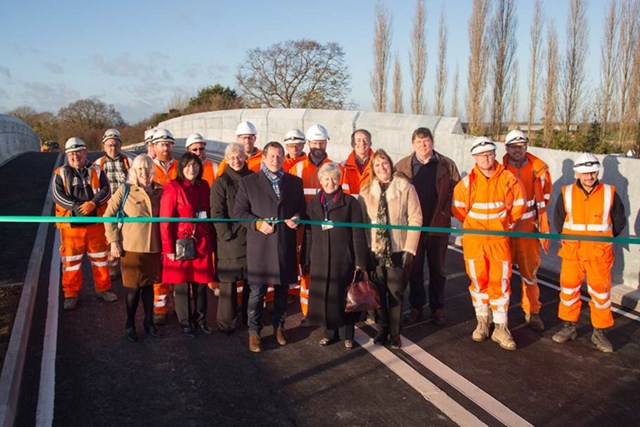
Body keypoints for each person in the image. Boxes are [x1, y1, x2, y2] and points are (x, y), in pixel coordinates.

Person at [452, 137, 526, 351]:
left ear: (495, 155)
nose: (486, 158)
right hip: (475, 241)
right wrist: (473, 227)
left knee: (500, 281)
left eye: (489, 154)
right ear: (474, 157)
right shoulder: (466, 184)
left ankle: (501, 327)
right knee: (478, 280)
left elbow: (518, 205)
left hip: (498, 240)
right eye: (481, 154)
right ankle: (483, 321)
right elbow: (458, 210)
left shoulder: (508, 179)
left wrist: (505, 224)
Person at [234, 141, 305, 353]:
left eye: (279, 156)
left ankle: (279, 326)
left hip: (284, 244)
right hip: (261, 246)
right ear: (264, 158)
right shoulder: (249, 182)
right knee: (258, 292)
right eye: (271, 156)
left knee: (282, 290)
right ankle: (254, 332)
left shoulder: (294, 182)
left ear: (284, 158)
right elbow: (239, 212)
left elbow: (302, 208)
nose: (275, 160)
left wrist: (298, 218)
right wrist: (257, 223)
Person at [551, 153, 626, 353]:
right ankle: (569, 327)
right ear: (577, 173)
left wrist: (603, 242)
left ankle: (599, 332)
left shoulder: (609, 193)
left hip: (598, 254)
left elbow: (619, 222)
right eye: (585, 173)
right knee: (568, 290)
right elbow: (559, 221)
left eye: (592, 172)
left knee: (601, 294)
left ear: (597, 172)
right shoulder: (566, 193)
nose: (589, 176)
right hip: (572, 253)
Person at [395, 127, 460, 326]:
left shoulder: (447, 165)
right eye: (419, 142)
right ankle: (416, 307)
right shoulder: (403, 166)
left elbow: (458, 192)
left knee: (438, 270)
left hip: (438, 226)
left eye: (427, 141)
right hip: (413, 228)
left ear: (432, 142)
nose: (424, 145)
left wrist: (446, 212)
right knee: (414, 270)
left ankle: (437, 307)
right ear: (413, 144)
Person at [288, 124, 353, 323]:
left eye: (321, 142)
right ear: (308, 143)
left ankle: (330, 310)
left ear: (326, 143)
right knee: (306, 268)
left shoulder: (337, 168)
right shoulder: (296, 169)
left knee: (330, 270)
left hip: (331, 230)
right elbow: (289, 200)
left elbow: (346, 197)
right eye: (314, 142)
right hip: (305, 229)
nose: (318, 146)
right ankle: (309, 312)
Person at [359, 149, 422, 349]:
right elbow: (361, 222)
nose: (382, 167)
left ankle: (395, 333)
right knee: (377, 292)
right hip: (375, 250)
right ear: (373, 169)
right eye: (377, 165)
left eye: (384, 163)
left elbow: (416, 218)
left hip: (397, 249)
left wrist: (409, 249)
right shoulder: (366, 191)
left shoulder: (405, 188)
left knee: (395, 292)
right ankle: (382, 328)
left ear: (391, 164)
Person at [302, 162, 368, 349]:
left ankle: (348, 334)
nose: (330, 182)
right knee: (326, 297)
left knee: (346, 296)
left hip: (343, 258)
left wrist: (360, 261)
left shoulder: (350, 203)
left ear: (340, 180)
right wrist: (305, 258)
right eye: (326, 178)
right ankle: (329, 333)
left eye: (334, 178)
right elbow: (308, 232)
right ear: (320, 181)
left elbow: (358, 233)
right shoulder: (314, 203)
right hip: (320, 258)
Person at [52, 137, 117, 310]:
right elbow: (57, 195)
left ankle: (103, 289)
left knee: (100, 260)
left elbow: (106, 190)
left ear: (85, 152)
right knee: (71, 262)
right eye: (71, 153)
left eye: (78, 152)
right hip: (71, 227)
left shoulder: (97, 169)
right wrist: (76, 206)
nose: (75, 156)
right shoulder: (60, 173)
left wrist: (92, 204)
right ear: (67, 155)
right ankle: (71, 294)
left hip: (95, 223)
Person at [104, 154, 163, 342]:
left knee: (149, 287)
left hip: (153, 247)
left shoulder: (160, 191)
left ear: (152, 171)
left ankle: (149, 322)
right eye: (140, 169)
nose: (144, 173)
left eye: (147, 169)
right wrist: (113, 241)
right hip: (131, 247)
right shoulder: (125, 191)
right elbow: (108, 215)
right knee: (134, 289)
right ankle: (129, 324)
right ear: (134, 172)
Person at [160, 152, 215, 337]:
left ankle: (201, 320)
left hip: (201, 243)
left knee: (201, 286)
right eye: (188, 165)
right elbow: (165, 221)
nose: (192, 169)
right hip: (180, 244)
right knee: (182, 286)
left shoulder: (204, 186)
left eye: (196, 165)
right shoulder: (173, 187)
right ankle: (185, 323)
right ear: (181, 168)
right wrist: (167, 249)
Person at [502, 129, 552, 331]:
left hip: (527, 229)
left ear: (526, 147)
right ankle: (499, 315)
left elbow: (545, 197)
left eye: (521, 146)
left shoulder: (537, 170)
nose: (517, 150)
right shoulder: (500, 169)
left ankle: (533, 312)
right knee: (501, 274)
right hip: (505, 229)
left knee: (529, 274)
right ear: (507, 148)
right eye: (513, 147)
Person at [210, 143, 253, 334]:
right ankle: (226, 322)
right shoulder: (221, 182)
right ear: (226, 159)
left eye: (239, 156)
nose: (236, 160)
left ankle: (249, 317)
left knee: (251, 281)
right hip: (231, 239)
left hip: (251, 235)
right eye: (232, 157)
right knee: (229, 282)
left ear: (245, 157)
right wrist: (225, 234)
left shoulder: (253, 178)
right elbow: (217, 212)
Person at [150, 128, 178, 324]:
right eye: (161, 144)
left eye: (168, 144)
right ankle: (160, 307)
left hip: (177, 224)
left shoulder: (180, 165)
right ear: (154, 146)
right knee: (159, 268)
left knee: (177, 263)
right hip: (155, 224)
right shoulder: (147, 167)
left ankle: (178, 305)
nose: (165, 147)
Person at [96, 128, 131, 279]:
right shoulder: (98, 164)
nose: (113, 147)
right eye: (109, 145)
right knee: (109, 237)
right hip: (107, 205)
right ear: (104, 146)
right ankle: (112, 267)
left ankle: (126, 267)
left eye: (115, 144)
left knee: (126, 236)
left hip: (126, 204)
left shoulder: (128, 161)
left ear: (120, 145)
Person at [342, 129, 375, 194]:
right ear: (352, 144)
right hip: (349, 203)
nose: (362, 143)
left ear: (370, 143)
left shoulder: (378, 166)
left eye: (365, 139)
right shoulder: (342, 167)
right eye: (358, 140)